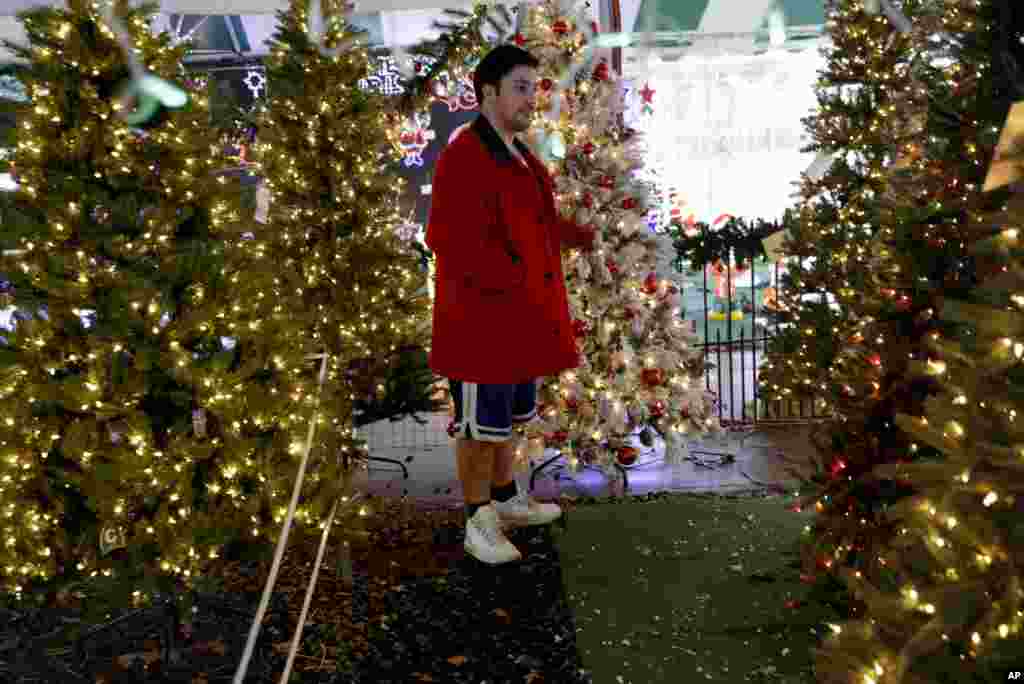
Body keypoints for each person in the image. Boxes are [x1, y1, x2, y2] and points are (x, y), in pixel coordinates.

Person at [425, 44, 596, 565]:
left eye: (534, 87)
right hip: (482, 325)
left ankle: (505, 499)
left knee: (505, 422)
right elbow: (447, 238)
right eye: (521, 87)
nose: (531, 98)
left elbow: (536, 222)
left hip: (519, 321)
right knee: (478, 428)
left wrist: (581, 235)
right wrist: (515, 277)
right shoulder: (465, 154)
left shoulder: (518, 153)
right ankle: (477, 518)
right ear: (489, 92)